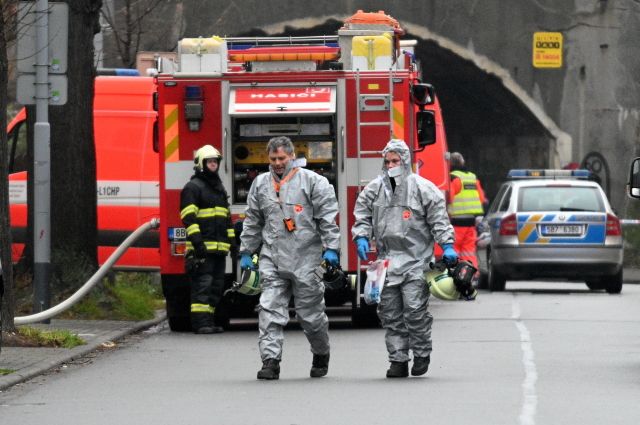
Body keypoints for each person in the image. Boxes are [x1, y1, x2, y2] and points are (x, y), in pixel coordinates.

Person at [351, 139, 458, 378]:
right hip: (386, 261)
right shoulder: (375, 189)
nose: (391, 165)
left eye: (395, 161)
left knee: (414, 310)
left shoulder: (423, 188)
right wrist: (360, 236)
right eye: (387, 161)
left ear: (405, 161)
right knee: (390, 314)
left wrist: (447, 245)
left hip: (416, 261)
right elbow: (362, 214)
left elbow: (439, 220)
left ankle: (421, 353)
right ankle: (398, 359)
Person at [239, 136, 340, 380]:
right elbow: (253, 219)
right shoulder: (261, 184)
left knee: (311, 315)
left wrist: (331, 248)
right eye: (273, 159)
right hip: (272, 255)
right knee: (269, 308)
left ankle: (320, 352)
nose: (277, 163)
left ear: (292, 156)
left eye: (281, 158)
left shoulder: (314, 182)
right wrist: (246, 251)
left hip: (306, 256)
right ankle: (270, 361)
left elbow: (327, 217)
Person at [180, 145, 235, 334]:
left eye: (215, 162)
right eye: (210, 161)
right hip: (202, 249)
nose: (213, 165)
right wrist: (197, 244)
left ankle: (209, 322)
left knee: (216, 286)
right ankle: (200, 324)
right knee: (202, 286)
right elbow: (189, 218)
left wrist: (232, 244)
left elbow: (226, 219)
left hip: (219, 250)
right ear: (201, 164)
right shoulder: (193, 187)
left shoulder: (218, 188)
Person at [448, 152, 488, 271]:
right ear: (463, 162)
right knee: (469, 251)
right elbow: (481, 198)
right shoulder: (472, 177)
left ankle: (454, 274)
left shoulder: (452, 177)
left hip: (456, 220)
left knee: (454, 248)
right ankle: (470, 275)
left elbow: (449, 198)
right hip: (472, 221)